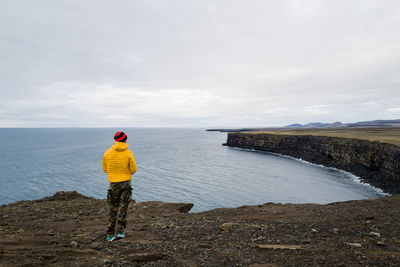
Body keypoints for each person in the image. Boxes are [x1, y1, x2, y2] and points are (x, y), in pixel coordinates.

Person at [102, 131, 137, 241]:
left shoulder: (107, 153)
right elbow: (133, 170)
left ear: (115, 140)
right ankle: (121, 232)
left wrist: (114, 174)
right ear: (125, 140)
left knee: (113, 209)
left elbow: (105, 169)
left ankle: (110, 235)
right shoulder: (129, 153)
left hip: (113, 185)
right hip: (126, 184)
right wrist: (124, 172)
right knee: (123, 208)